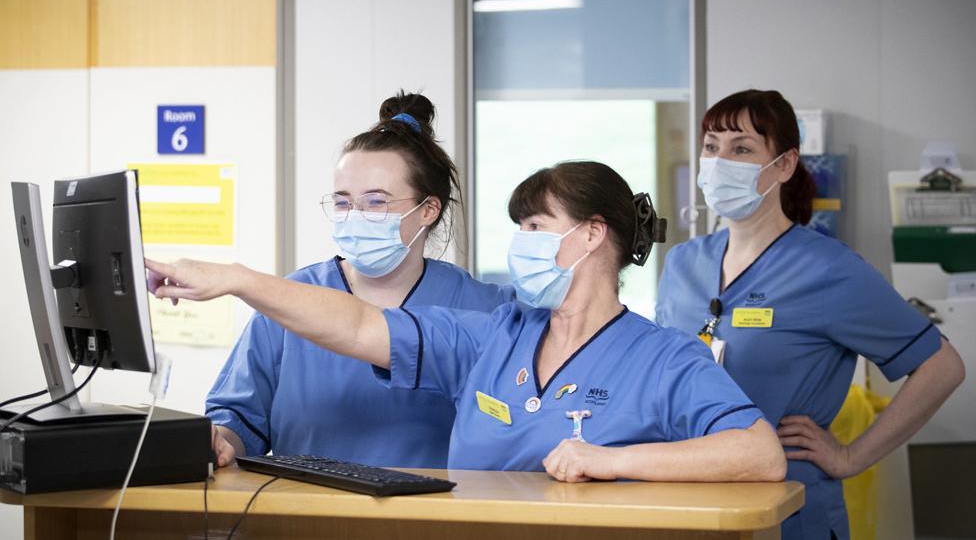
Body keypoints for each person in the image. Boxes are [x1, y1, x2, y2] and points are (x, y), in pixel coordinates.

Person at [147, 161, 787, 483]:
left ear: (593, 235)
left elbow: (759, 452)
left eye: (536, 227)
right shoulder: (495, 333)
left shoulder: (663, 357)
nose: (521, 243)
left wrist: (615, 461)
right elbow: (358, 326)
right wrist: (238, 278)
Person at [654, 89, 966, 539]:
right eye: (711, 147)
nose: (720, 161)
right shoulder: (683, 264)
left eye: (741, 148)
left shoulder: (828, 270)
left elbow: (943, 367)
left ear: (783, 165)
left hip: (790, 512)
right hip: (692, 504)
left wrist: (851, 457)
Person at [202, 92, 514, 469]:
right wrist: (221, 441)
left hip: (429, 519)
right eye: (343, 202)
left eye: (376, 202)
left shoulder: (481, 307)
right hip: (303, 514)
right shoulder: (291, 301)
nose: (354, 216)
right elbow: (238, 420)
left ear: (429, 209)